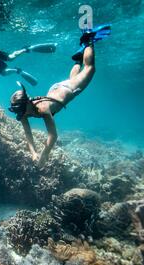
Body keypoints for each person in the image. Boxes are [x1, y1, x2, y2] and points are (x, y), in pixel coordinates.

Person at [9, 24, 111, 166]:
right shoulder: (23, 111)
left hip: (67, 90)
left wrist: (44, 154)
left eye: (19, 110)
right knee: (74, 78)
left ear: (26, 103)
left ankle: (87, 40)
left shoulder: (43, 109)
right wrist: (33, 153)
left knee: (90, 68)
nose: (19, 114)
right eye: (15, 110)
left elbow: (53, 135)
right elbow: (28, 134)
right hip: (56, 89)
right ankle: (78, 59)